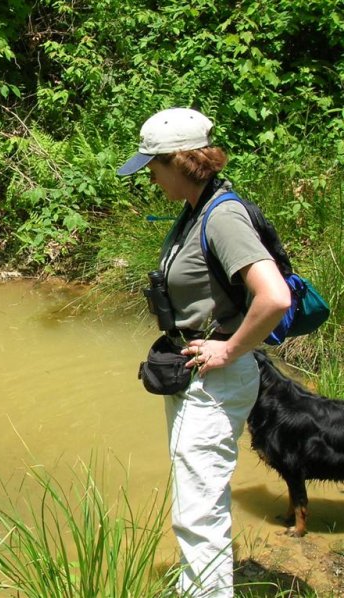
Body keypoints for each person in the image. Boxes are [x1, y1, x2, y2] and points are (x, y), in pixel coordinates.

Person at [117, 107, 292, 597]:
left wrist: (229, 349)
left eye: (153, 165)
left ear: (179, 161)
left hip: (217, 379)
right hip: (196, 378)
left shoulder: (223, 215)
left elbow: (274, 296)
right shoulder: (198, 207)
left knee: (197, 510)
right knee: (196, 498)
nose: (149, 175)